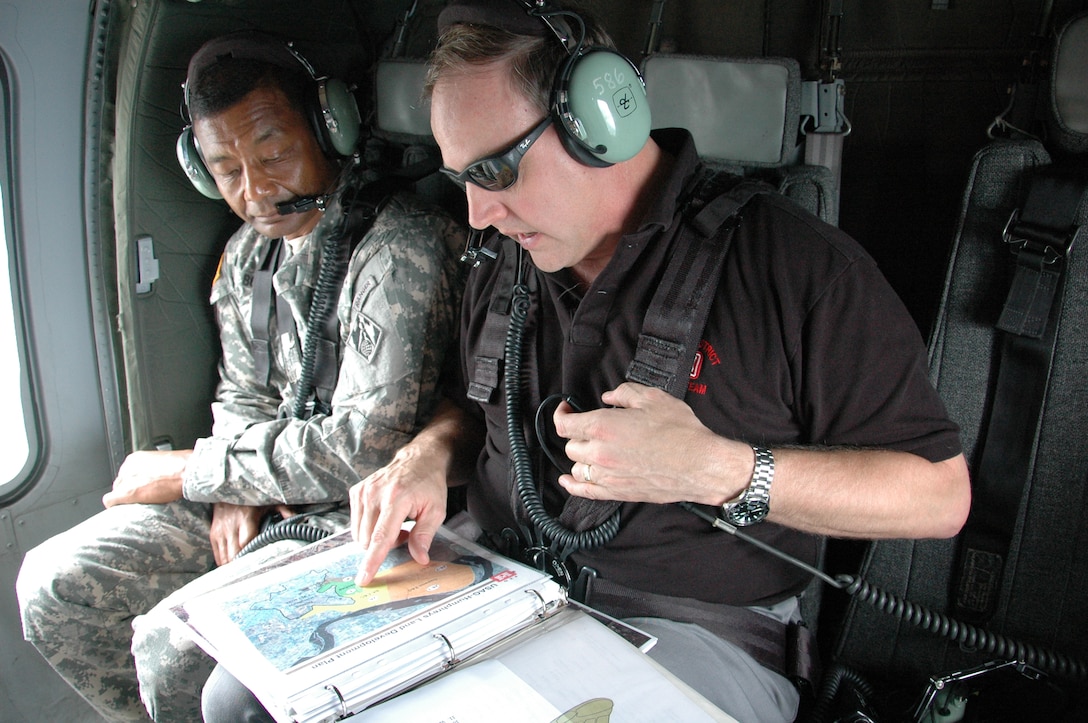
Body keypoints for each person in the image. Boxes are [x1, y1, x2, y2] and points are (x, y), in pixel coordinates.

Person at [204, 2, 972, 721]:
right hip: (494, 582)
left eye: (496, 171)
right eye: (462, 176)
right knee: (238, 697)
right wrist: (427, 455)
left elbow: (937, 495)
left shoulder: (797, 267)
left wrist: (719, 469)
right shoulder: (500, 258)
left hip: (693, 629)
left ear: (599, 119)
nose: (478, 213)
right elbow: (473, 414)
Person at [16, 30, 465, 722]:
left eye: (274, 153)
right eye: (226, 169)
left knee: (173, 648)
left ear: (327, 128)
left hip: (360, 513)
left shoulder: (399, 244)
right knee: (53, 585)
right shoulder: (246, 256)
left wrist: (196, 471)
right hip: (258, 488)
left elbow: (364, 446)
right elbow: (241, 394)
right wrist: (233, 487)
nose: (254, 191)